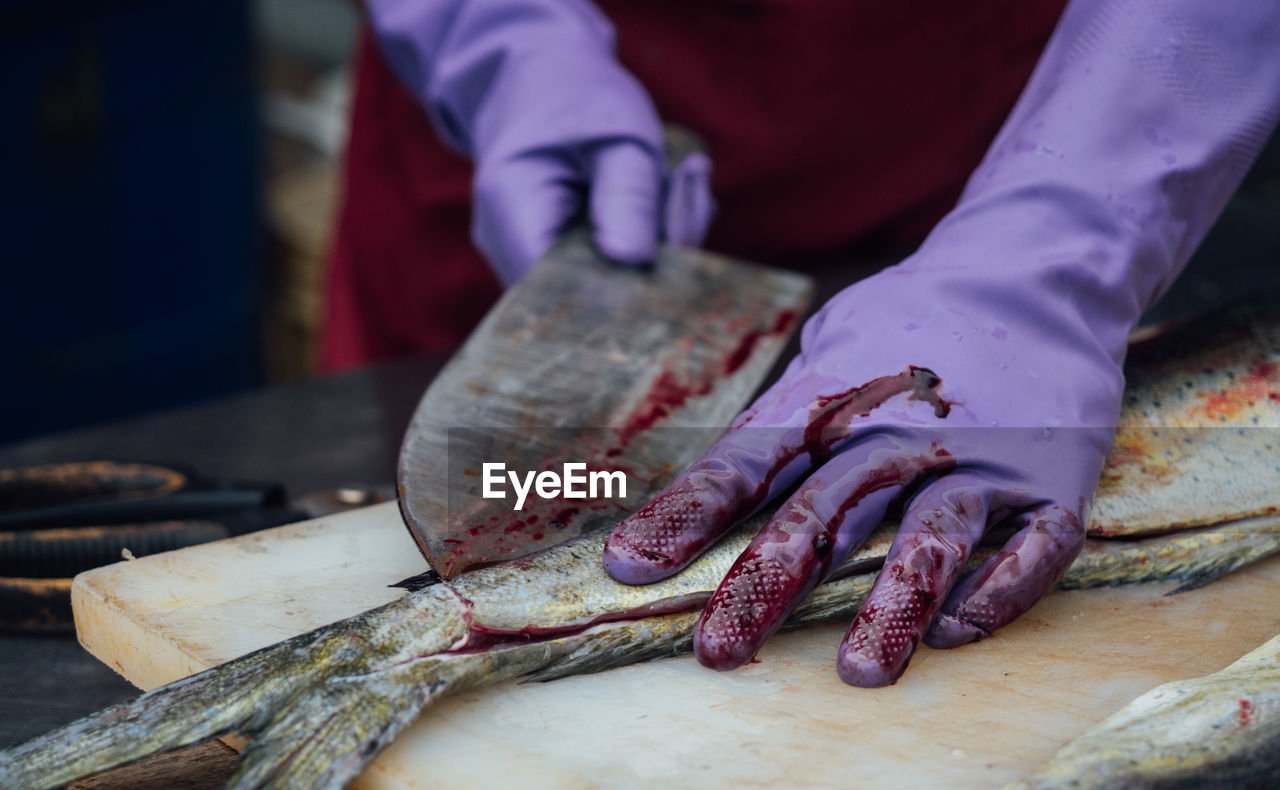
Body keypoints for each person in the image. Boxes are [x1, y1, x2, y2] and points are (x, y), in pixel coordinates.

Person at [333, 0, 1280, 686]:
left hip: (983, 160)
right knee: (391, 542)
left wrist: (1057, 253)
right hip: (522, 191)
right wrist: (498, 44)